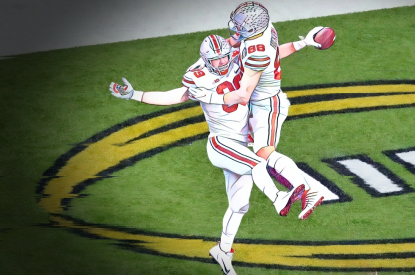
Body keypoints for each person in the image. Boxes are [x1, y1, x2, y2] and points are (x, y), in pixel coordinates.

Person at [109, 34, 312, 275]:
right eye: (215, 60)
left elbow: (272, 56)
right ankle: (279, 199)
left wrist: (303, 43)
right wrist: (135, 94)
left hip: (239, 145)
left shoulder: (237, 56)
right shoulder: (197, 76)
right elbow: (181, 96)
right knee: (258, 163)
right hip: (220, 143)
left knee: (239, 205)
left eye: (224, 57)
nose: (221, 63)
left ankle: (222, 251)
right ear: (205, 60)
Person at [188, 1, 339, 222]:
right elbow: (271, 53)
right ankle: (302, 189)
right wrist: (302, 43)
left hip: (265, 104)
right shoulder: (265, 30)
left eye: (242, 25)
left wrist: (209, 91)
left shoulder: (255, 53)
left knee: (263, 153)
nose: (237, 28)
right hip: (261, 102)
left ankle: (309, 190)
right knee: (259, 154)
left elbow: (243, 95)